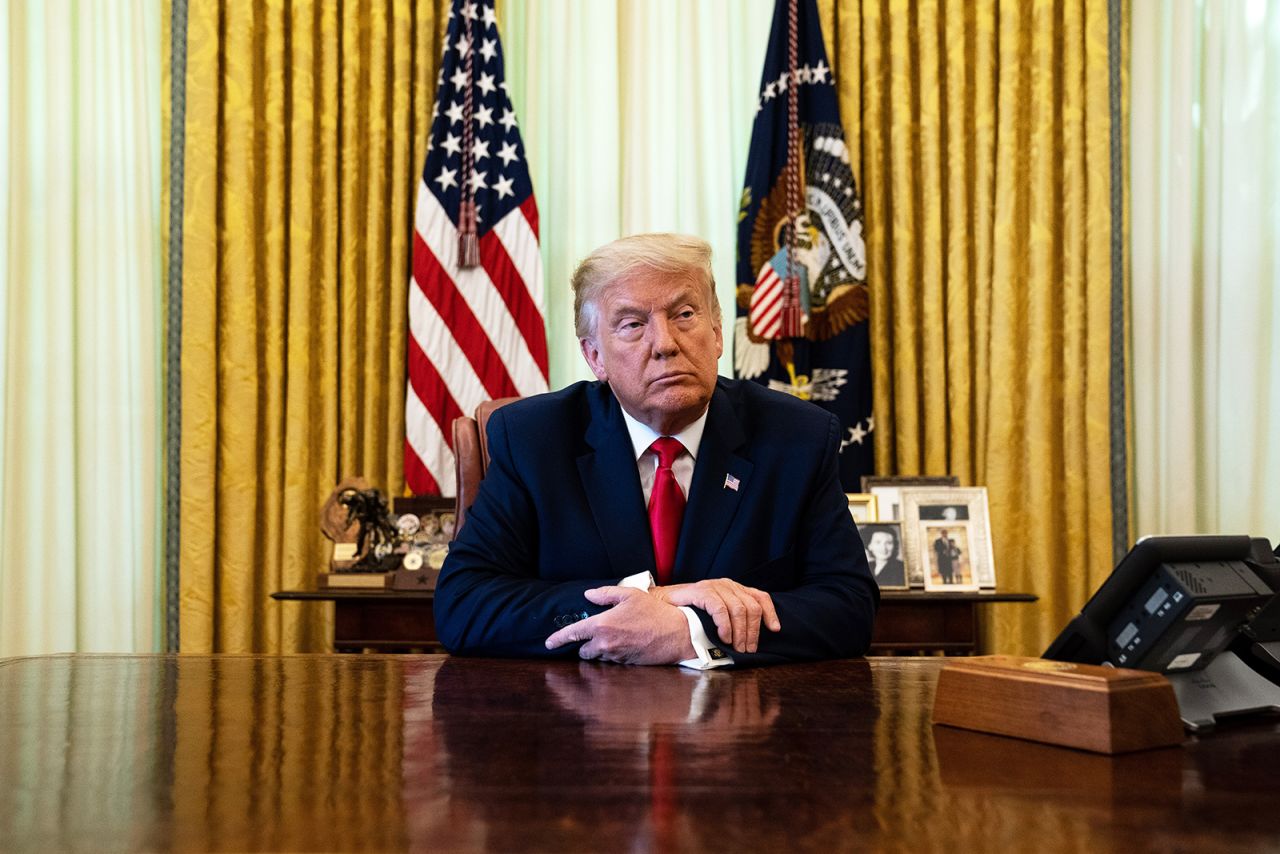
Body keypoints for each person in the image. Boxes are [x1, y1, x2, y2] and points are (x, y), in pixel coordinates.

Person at [434, 233, 879, 667]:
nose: (665, 343)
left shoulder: (796, 437)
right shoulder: (533, 437)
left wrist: (689, 629)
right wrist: (653, 600)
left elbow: (848, 606)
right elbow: (463, 603)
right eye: (632, 325)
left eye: (684, 314)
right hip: (580, 727)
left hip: (741, 725)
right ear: (595, 357)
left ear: (718, 333)